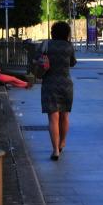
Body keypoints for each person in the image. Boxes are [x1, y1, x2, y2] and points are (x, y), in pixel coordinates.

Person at [40, 21, 77, 161]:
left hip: (50, 83)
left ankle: (55, 150)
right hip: (66, 84)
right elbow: (72, 63)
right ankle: (62, 142)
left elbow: (37, 60)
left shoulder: (46, 45)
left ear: (53, 32)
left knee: (53, 118)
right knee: (65, 116)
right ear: (67, 33)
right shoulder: (69, 46)